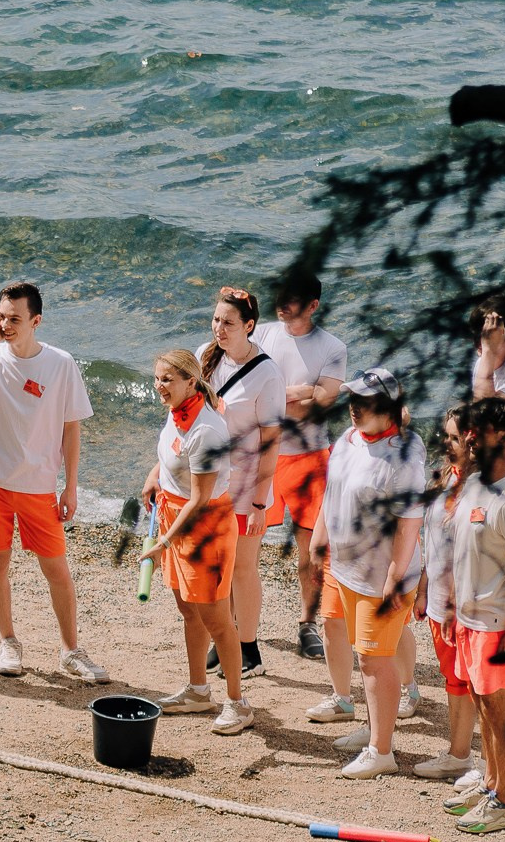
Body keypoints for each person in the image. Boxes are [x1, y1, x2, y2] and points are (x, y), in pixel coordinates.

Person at [0, 281, 108, 682]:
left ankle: (71, 650)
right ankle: (8, 642)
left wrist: (70, 486)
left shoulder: (61, 363)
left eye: (14, 318)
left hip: (38, 486)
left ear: (36, 321)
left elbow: (72, 428)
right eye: (1, 317)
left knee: (57, 571)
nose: (6, 325)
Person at [307, 369, 427, 777]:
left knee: (374, 661)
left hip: (380, 574)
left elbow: (409, 523)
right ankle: (375, 726)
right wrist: (318, 539)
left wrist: (395, 579)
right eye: (352, 399)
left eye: (365, 401)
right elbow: (331, 491)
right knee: (356, 648)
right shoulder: (348, 438)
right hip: (343, 566)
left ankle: (382, 751)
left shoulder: (405, 453)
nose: (354, 407)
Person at [136, 349, 250, 731]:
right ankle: (199, 691)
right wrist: (156, 476)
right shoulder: (180, 412)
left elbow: (201, 498)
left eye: (167, 380)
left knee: (218, 621)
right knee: (189, 611)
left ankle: (238, 702)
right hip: (175, 516)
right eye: (156, 378)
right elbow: (172, 454)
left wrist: (164, 542)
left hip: (204, 530)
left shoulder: (206, 429)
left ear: (190, 381)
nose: (159, 386)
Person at [252, 277, 349, 660]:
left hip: (311, 458)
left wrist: (281, 393)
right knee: (247, 546)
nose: (282, 305)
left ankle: (307, 624)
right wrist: (302, 390)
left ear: (313, 305)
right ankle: (242, 630)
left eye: (292, 301)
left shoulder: (332, 347)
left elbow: (323, 403)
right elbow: (245, 390)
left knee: (313, 552)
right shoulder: (259, 334)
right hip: (264, 455)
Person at [443, 397, 505, 831]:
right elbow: (463, 555)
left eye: (478, 429)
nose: (469, 436)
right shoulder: (474, 486)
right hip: (470, 621)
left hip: (497, 624)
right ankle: (491, 783)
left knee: (500, 712)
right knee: (482, 705)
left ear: (502, 438)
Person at [199, 287, 285, 679]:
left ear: (249, 326)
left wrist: (259, 502)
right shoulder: (207, 355)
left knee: (243, 569)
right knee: (219, 567)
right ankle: (225, 640)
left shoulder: (267, 373)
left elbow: (272, 442)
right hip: (212, 482)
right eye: (216, 319)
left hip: (249, 486)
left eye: (228, 323)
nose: (219, 328)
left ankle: (249, 650)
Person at [415, 406, 479, 782]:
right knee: (454, 680)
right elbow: (430, 539)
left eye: (457, 438)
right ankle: (458, 755)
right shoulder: (441, 479)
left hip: (470, 608)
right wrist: (423, 590)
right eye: (447, 435)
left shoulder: (486, 487)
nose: (448, 443)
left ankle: (486, 767)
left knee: (479, 685)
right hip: (440, 601)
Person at [471, 290, 505, 473]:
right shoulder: (483, 361)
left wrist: (489, 353)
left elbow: (489, 420)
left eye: (488, 337)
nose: (481, 344)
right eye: (478, 337)